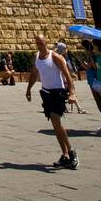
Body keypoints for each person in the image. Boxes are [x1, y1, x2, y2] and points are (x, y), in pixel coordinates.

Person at [26, 33, 79, 169]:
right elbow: (34, 74)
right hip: (46, 93)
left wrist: (72, 93)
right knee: (55, 125)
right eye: (37, 43)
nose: (40, 45)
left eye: (42, 43)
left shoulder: (55, 57)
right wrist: (28, 89)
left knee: (56, 121)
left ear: (46, 42)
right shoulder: (36, 57)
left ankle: (72, 153)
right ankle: (65, 154)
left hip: (58, 92)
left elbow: (68, 76)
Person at [82, 40, 101, 131]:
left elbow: (90, 67)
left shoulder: (92, 56)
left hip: (94, 81)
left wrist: (81, 62)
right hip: (93, 80)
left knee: (100, 102)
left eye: (83, 48)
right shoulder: (92, 55)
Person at [54, 42, 83, 114]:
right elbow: (66, 69)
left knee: (65, 93)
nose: (66, 50)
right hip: (65, 79)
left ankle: (69, 108)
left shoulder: (55, 57)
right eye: (65, 49)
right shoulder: (61, 58)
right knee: (71, 92)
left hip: (60, 79)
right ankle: (79, 108)